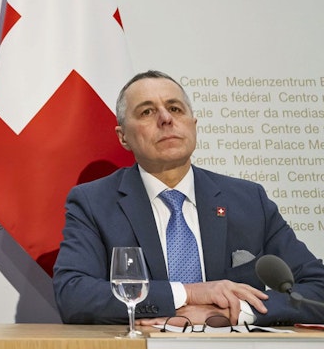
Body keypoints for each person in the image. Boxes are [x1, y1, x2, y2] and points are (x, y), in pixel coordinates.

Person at [53, 70, 324, 327]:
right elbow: (74, 295)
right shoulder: (94, 202)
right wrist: (188, 294)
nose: (165, 119)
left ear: (193, 125)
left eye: (175, 108)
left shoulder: (249, 200)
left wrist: (234, 311)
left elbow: (317, 288)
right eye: (147, 111)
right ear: (123, 137)